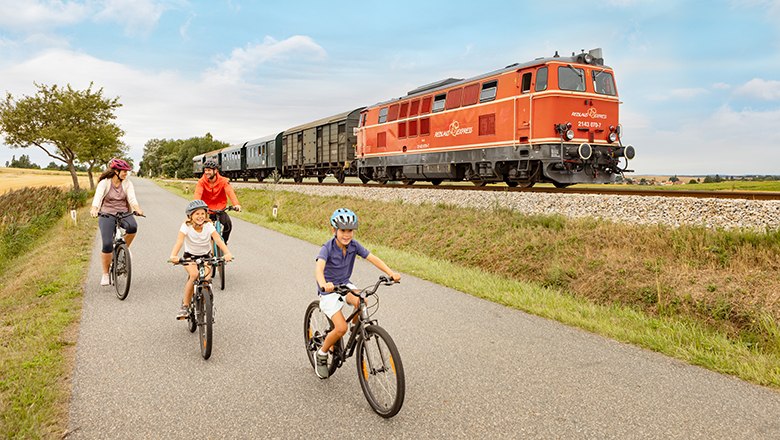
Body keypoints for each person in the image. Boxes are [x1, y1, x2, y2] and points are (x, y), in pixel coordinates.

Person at [313, 208, 400, 379]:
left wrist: (391, 273)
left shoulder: (354, 245)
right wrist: (324, 284)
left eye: (350, 231)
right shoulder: (327, 248)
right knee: (340, 328)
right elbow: (319, 269)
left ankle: (356, 327)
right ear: (334, 230)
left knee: (363, 302)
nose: (347, 235)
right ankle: (322, 354)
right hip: (329, 290)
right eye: (343, 230)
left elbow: (372, 258)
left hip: (345, 284)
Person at [168, 200, 233, 320]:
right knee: (194, 275)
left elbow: (218, 240)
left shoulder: (209, 226)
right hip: (190, 257)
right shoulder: (186, 226)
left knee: (207, 280)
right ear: (190, 216)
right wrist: (174, 255)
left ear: (206, 215)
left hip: (205, 256)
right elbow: (179, 241)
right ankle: (185, 306)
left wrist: (227, 253)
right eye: (197, 214)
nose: (200, 216)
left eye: (203, 214)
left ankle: (207, 306)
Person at [90, 158, 144, 286]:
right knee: (107, 243)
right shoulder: (104, 183)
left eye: (127, 171)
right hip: (106, 214)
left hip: (123, 212)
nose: (126, 174)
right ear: (115, 171)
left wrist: (138, 210)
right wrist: (94, 209)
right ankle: (105, 274)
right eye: (124, 171)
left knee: (133, 227)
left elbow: (132, 199)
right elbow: (97, 198)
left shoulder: (127, 183)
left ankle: (124, 248)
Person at [194, 160, 241, 243]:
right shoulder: (201, 182)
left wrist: (236, 204)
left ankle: (223, 244)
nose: (207, 172)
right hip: (207, 209)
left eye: (209, 170)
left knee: (228, 225)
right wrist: (196, 206)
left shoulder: (223, 181)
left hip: (220, 208)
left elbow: (230, 192)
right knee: (200, 227)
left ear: (215, 171)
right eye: (205, 170)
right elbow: (198, 193)